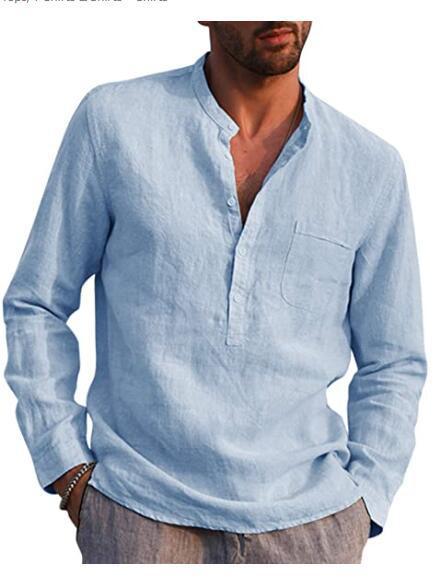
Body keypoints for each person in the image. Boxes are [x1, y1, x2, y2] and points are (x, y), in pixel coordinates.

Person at [2, 21, 427, 564]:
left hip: (312, 528)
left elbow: (394, 358)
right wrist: (66, 466)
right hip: (139, 516)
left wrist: (365, 498)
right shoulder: (115, 123)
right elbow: (37, 303)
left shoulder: (369, 167)